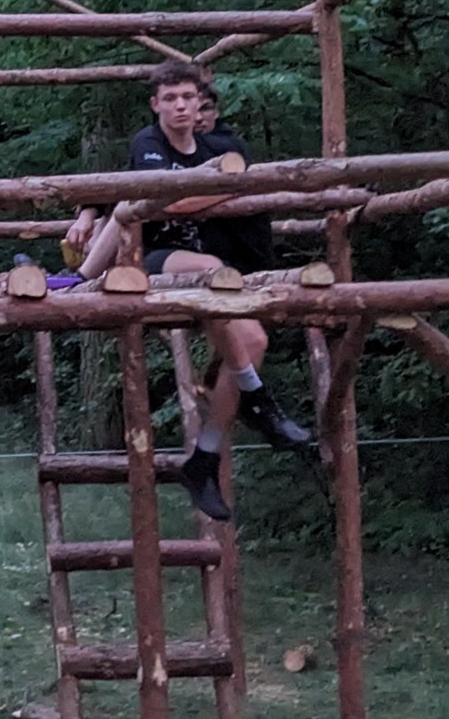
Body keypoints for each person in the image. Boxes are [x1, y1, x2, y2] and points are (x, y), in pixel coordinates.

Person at [63, 59, 310, 521]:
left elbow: (216, 194)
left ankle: (204, 459)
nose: (180, 106)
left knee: (254, 341)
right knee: (212, 271)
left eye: (187, 98)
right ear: (155, 104)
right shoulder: (149, 143)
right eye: (170, 98)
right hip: (151, 260)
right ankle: (258, 398)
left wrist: (217, 192)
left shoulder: (214, 149)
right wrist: (223, 191)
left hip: (211, 271)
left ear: (200, 104)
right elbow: (166, 202)